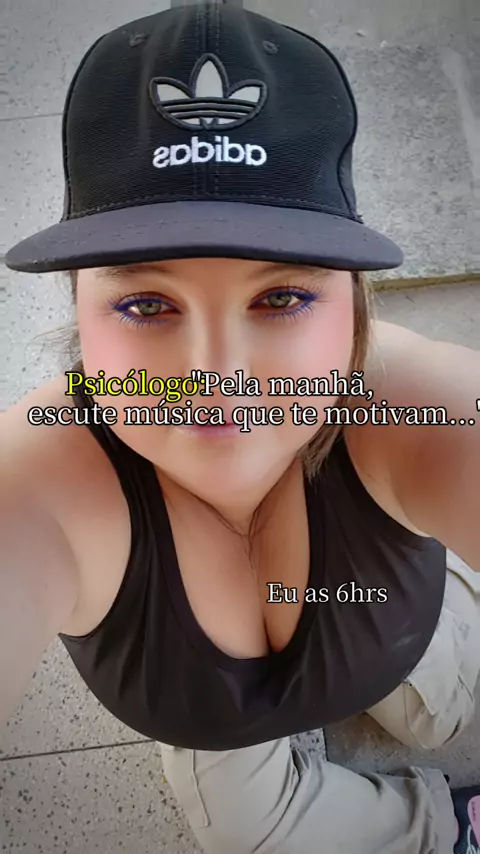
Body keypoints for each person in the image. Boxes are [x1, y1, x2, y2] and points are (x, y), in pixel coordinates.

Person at [2, 3, 479, 853]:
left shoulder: (409, 402)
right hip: (223, 731)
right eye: (147, 305)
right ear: (79, 310)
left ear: (353, 305)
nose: (217, 379)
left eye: (281, 297)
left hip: (398, 631)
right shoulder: (39, 480)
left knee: (446, 705)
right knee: (255, 831)